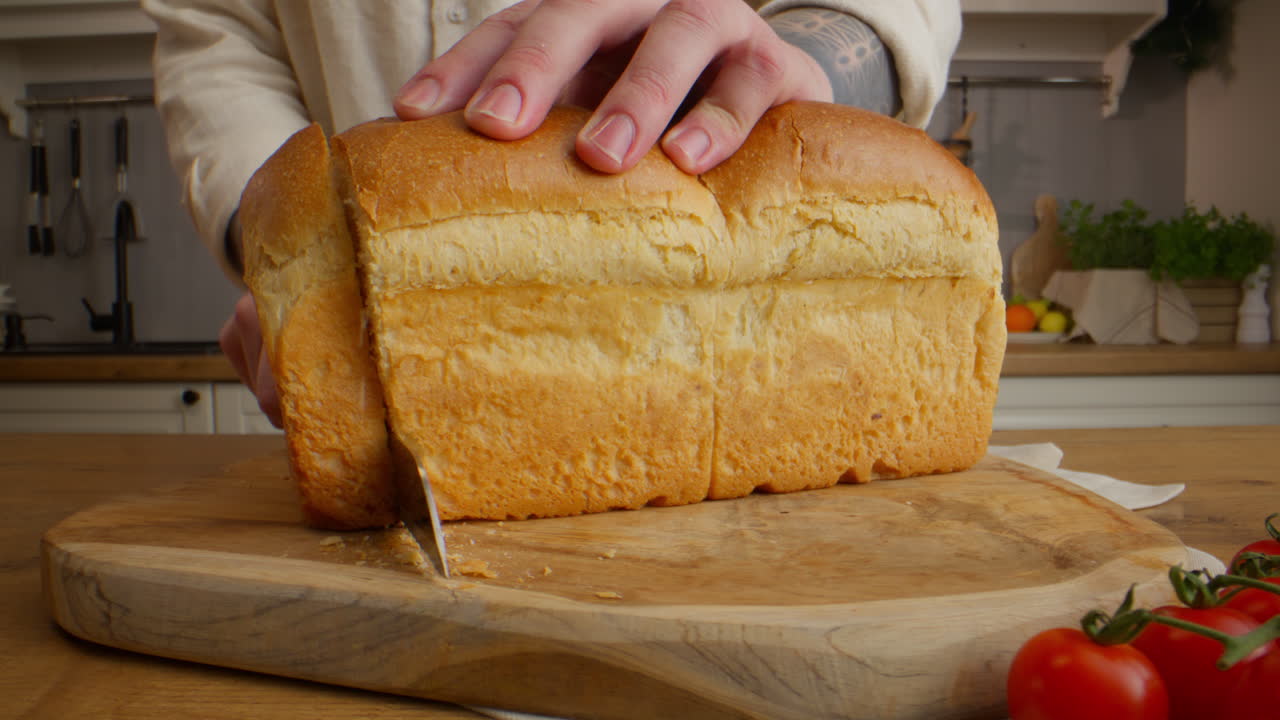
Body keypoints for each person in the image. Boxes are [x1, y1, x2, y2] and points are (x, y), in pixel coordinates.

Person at [142, 0, 962, 427]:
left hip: (745, 192)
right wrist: (292, 242)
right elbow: (218, 36)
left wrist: (795, 66)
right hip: (364, 359)